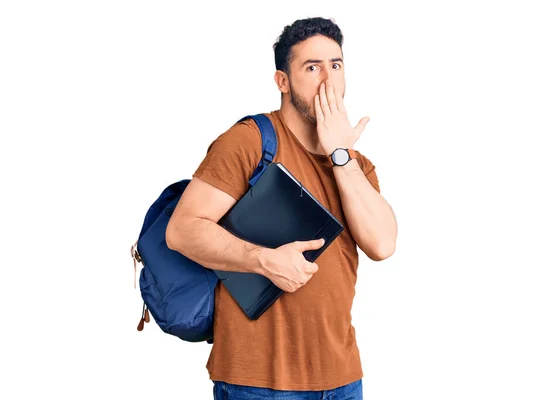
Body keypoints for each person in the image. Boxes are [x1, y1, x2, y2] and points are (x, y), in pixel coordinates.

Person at [166, 16, 398, 399]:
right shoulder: (250, 142)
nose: (328, 79)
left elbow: (382, 244)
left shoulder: (354, 163)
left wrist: (340, 153)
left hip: (341, 379)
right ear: (282, 81)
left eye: (335, 65)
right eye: (312, 67)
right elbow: (183, 230)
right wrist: (263, 260)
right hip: (259, 382)